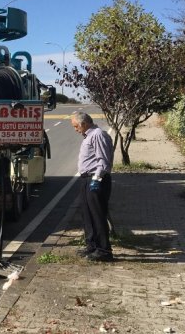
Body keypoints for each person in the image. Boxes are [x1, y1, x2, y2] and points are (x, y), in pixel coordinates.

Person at [71, 112, 114, 262]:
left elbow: (103, 160)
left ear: (83, 124)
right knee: (87, 214)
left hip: (96, 179)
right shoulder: (89, 136)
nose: (75, 129)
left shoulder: (97, 135)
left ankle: (104, 250)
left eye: (76, 126)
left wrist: (97, 178)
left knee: (97, 214)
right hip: (86, 179)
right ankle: (92, 246)